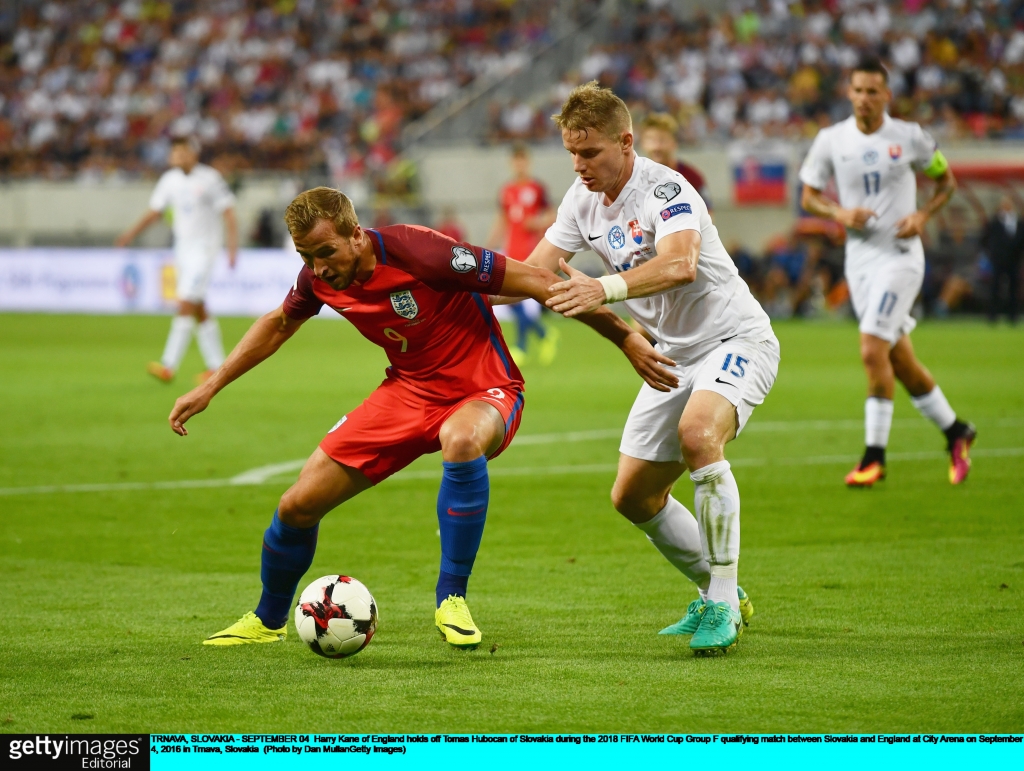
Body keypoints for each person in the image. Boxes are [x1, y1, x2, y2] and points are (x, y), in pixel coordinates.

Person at [168, 187, 668, 649]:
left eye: (325, 253)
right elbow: (279, 324)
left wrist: (624, 338)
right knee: (297, 504)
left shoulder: (422, 253)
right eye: (305, 257)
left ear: (356, 235)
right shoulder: (318, 281)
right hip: (407, 392)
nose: (317, 268)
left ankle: (451, 598)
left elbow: (539, 281)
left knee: (462, 439)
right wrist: (211, 385)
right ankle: (267, 620)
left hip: (483, 387)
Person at [526, 81, 780, 655]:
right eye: (571, 152)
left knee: (698, 435)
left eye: (590, 153)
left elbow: (681, 264)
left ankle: (720, 602)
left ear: (626, 141)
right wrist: (461, 280)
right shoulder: (579, 200)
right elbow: (537, 272)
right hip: (674, 355)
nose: (579, 165)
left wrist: (604, 289)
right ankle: (720, 592)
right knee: (633, 497)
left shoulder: (666, 188)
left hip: (735, 338)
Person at [799, 57, 976, 487]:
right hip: (859, 261)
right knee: (899, 359)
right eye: (857, 91)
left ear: (887, 95)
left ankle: (873, 458)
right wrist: (839, 211)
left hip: (900, 256)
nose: (864, 99)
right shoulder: (831, 140)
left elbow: (946, 182)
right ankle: (957, 432)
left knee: (870, 348)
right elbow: (809, 196)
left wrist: (923, 216)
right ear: (849, 92)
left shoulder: (910, 138)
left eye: (872, 91)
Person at [117, 137, 238, 384]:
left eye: (183, 152)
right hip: (182, 249)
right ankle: (217, 366)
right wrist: (130, 233)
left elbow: (229, 213)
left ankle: (168, 364)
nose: (178, 157)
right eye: (175, 153)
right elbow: (155, 212)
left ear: (193, 154)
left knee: (185, 302)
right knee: (199, 306)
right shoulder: (169, 180)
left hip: (205, 250)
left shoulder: (210, 178)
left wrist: (233, 249)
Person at [487, 144, 559, 364]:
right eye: (516, 160)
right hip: (512, 249)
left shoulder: (536, 188)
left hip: (531, 250)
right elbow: (503, 219)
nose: (519, 164)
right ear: (512, 163)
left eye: (522, 160)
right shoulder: (506, 190)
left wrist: (537, 222)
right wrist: (490, 245)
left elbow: (553, 214)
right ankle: (543, 334)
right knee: (511, 300)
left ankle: (521, 346)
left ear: (527, 162)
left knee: (518, 296)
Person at [638, 113, 712, 211]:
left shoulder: (692, 177)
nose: (656, 146)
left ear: (674, 143)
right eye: (651, 140)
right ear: (643, 144)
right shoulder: (635, 179)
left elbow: (708, 213)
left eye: (662, 140)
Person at [982, 196, 1023, 324]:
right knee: (995, 287)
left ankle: (1013, 316)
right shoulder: (994, 222)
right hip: (998, 260)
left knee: (1013, 288)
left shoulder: (1019, 222)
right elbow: (985, 240)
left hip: (1014, 260)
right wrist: (992, 253)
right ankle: (993, 316)